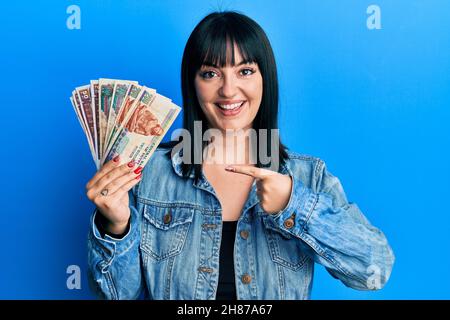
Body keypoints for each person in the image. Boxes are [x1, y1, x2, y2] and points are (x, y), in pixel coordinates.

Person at [85, 11, 395, 300]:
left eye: (245, 71)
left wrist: (294, 203)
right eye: (210, 73)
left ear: (265, 79)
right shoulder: (148, 173)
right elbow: (114, 294)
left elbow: (374, 269)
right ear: (193, 84)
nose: (229, 90)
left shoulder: (306, 176)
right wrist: (116, 226)